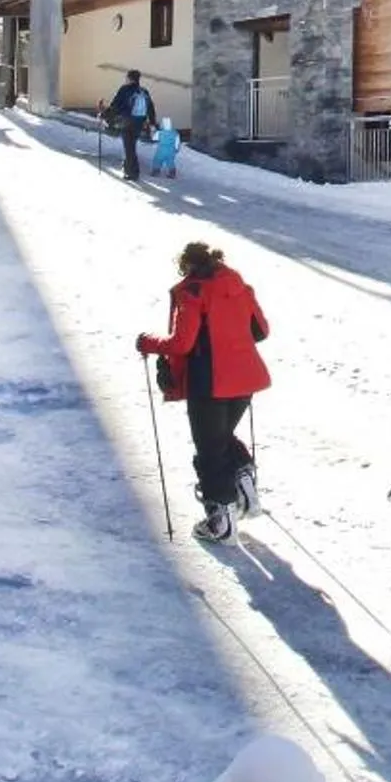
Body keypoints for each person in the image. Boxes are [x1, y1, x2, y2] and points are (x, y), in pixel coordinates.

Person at [137, 241, 270, 543]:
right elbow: (261, 331)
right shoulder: (240, 287)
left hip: (209, 381)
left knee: (209, 451)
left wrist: (148, 342)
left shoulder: (193, 292)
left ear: (187, 265)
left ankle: (222, 523)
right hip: (245, 378)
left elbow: (182, 343)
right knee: (219, 438)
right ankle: (243, 481)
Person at [108, 69, 154, 178]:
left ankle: (131, 173)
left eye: (127, 77)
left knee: (129, 147)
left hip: (127, 121)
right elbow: (151, 108)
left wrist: (106, 115)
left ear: (129, 78)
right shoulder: (144, 91)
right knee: (131, 146)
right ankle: (130, 169)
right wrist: (152, 122)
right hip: (139, 122)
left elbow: (115, 105)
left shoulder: (124, 89)